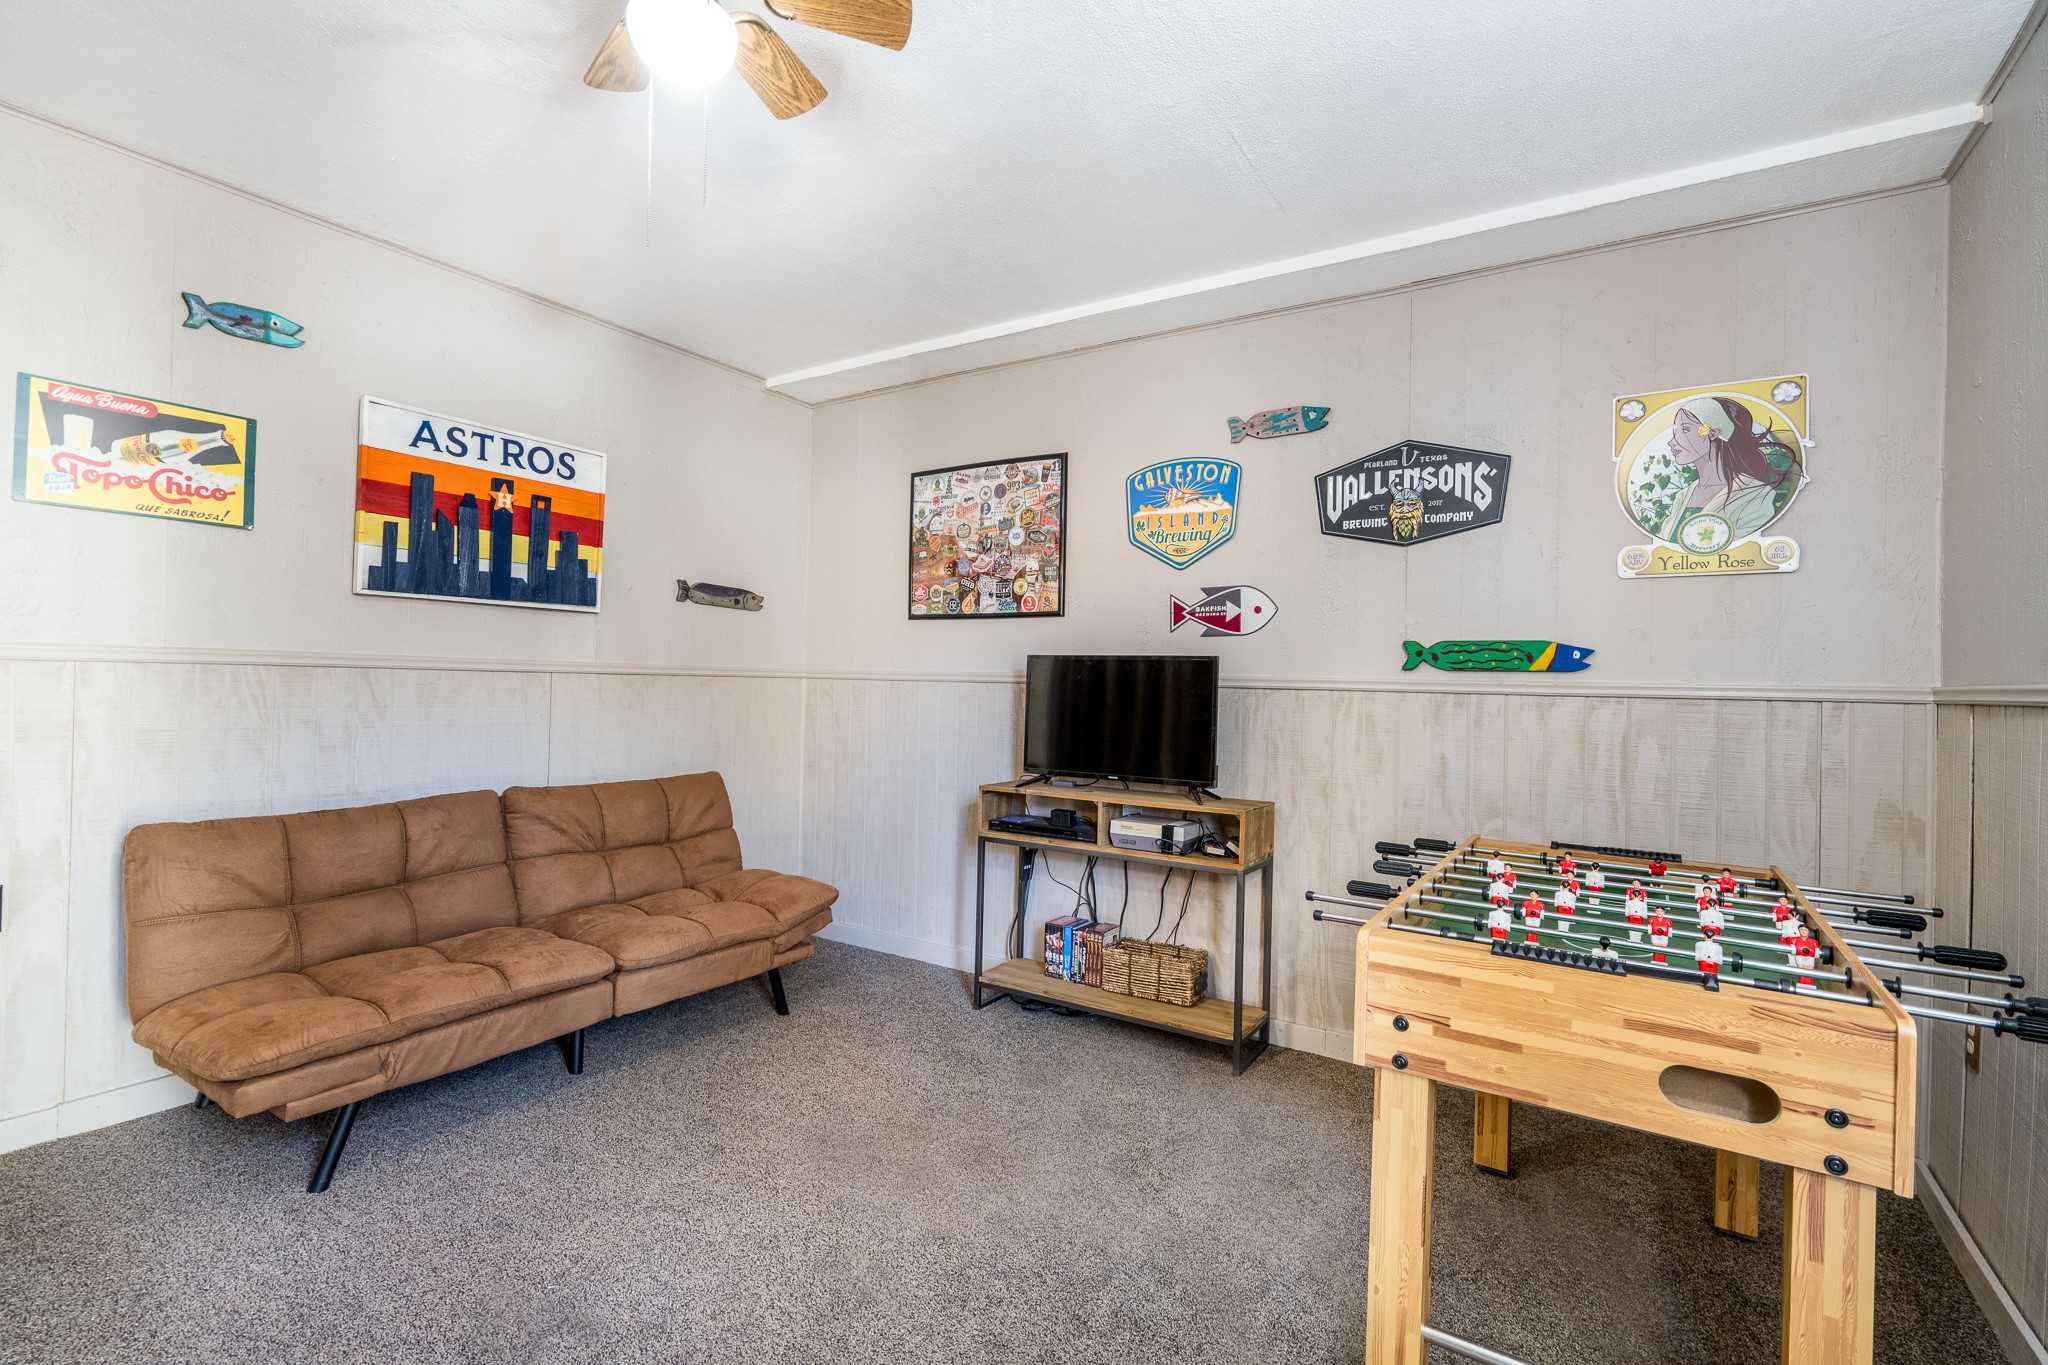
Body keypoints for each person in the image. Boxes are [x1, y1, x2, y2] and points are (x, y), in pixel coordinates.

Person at [1653, 396, 1804, 543]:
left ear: (1713, 433)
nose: (1672, 441)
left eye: (1685, 430)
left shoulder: (1755, 494)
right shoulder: (1683, 496)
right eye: (1676, 431)